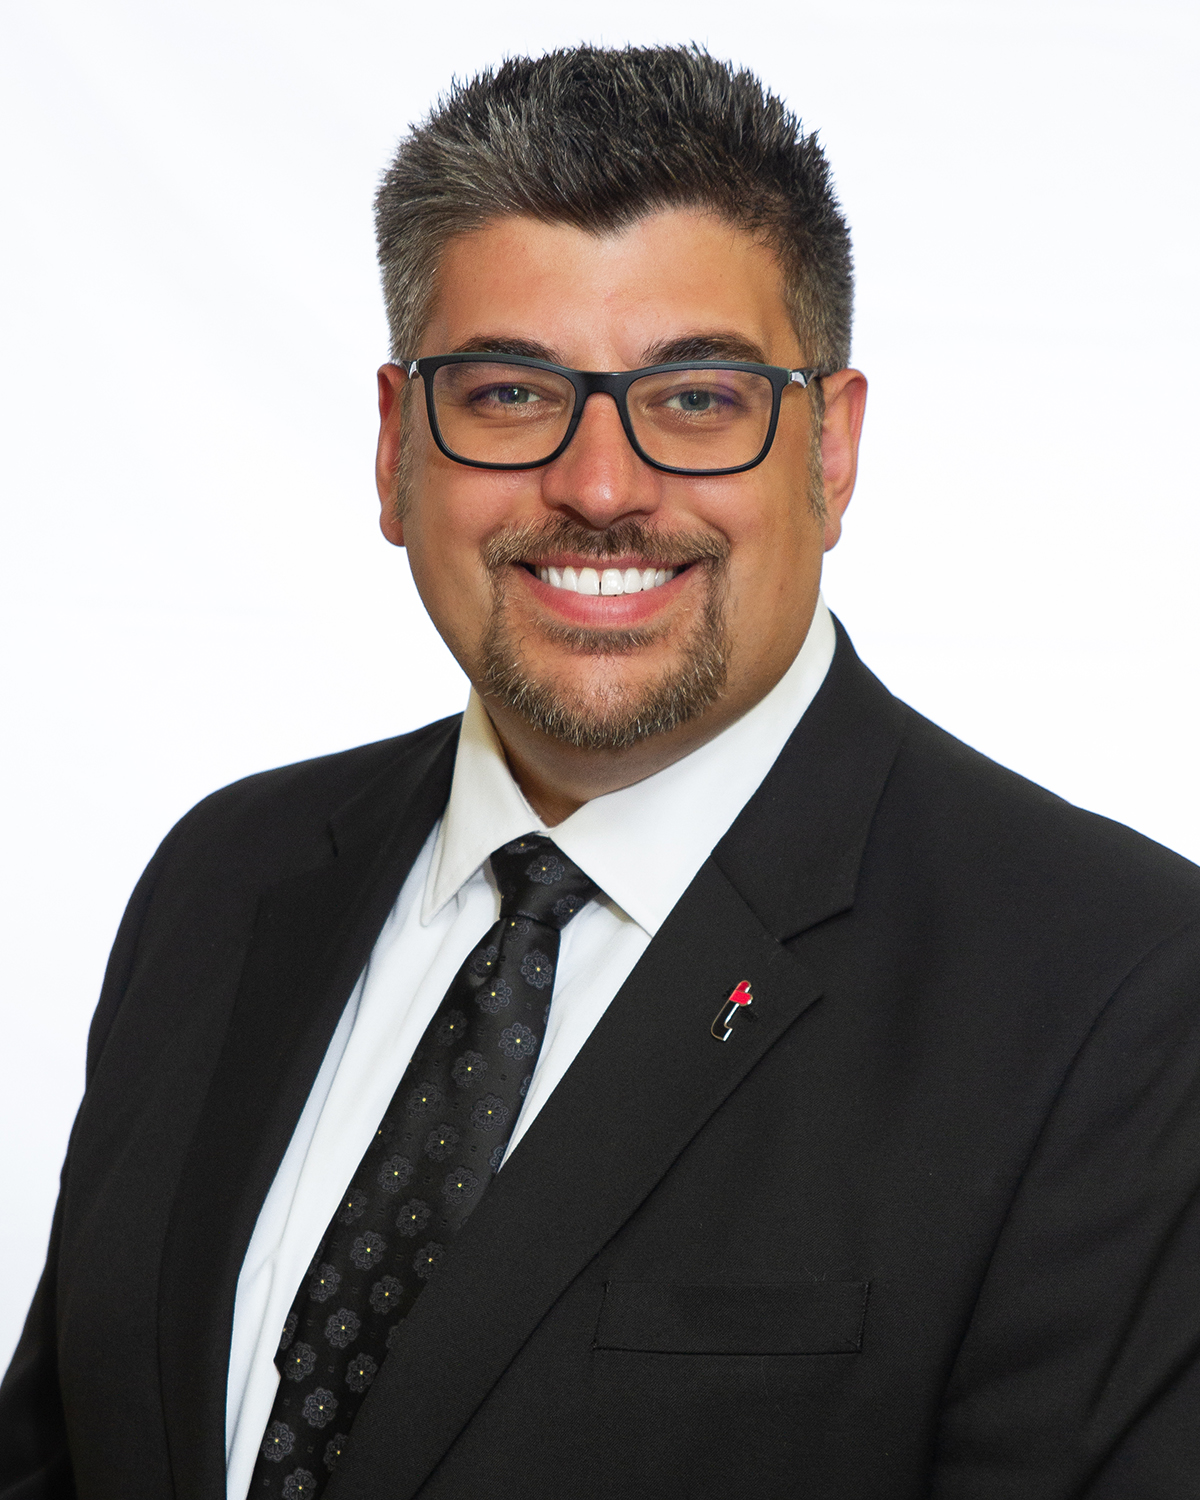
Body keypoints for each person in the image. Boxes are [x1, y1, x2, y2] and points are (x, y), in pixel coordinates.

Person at [3, 43, 1199, 1500]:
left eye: (696, 398)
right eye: (510, 392)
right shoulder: (227, 879)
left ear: (830, 455)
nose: (599, 486)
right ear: (395, 448)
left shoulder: (1121, 994)